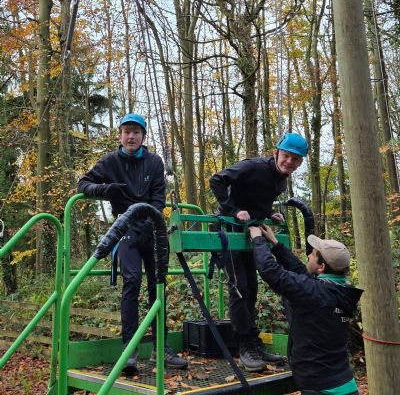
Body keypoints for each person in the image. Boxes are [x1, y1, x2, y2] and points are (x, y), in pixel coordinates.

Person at [77, 113, 187, 373]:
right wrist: (105, 190)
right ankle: (129, 351)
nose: (131, 136)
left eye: (136, 132)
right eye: (127, 131)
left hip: (152, 227)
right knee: (132, 281)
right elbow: (83, 184)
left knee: (158, 286)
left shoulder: (154, 162)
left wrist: (152, 224)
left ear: (143, 137)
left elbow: (159, 196)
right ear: (120, 135)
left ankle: (162, 349)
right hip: (125, 228)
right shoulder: (110, 161)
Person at [209, 132, 308, 372]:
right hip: (228, 230)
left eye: (295, 159)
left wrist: (269, 213)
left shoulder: (281, 179)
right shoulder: (252, 167)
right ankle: (244, 346)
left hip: (248, 232)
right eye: (286, 156)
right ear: (276, 152)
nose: (289, 162)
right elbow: (216, 180)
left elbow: (256, 200)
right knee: (239, 287)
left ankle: (253, 342)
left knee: (251, 287)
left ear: (300, 162)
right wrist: (233, 210)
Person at [249, 224, 362, 395]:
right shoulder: (343, 291)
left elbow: (272, 272)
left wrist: (257, 239)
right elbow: (303, 274)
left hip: (320, 386)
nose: (309, 255)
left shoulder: (316, 292)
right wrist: (275, 243)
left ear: (321, 267)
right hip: (344, 382)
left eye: (313, 254)